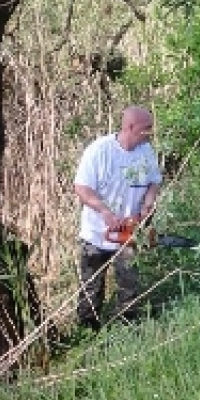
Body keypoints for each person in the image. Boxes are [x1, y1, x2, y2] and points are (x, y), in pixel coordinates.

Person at [73, 106, 162, 330]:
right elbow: (82, 188)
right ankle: (87, 332)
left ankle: (126, 329)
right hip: (96, 233)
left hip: (130, 232)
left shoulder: (146, 152)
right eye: (146, 128)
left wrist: (148, 204)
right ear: (130, 127)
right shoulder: (99, 151)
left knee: (130, 284)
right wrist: (104, 211)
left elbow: (154, 181)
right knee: (90, 287)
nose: (149, 133)